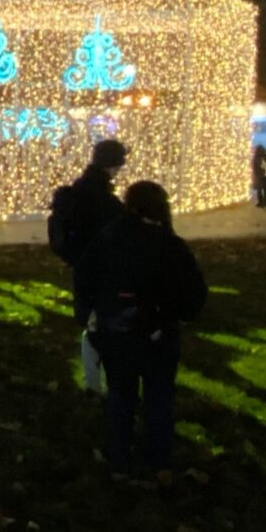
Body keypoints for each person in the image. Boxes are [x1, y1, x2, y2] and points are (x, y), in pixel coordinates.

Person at [74, 180, 207, 480]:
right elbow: (193, 291)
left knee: (120, 395)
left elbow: (84, 279)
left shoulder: (107, 240)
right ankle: (158, 461)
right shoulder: (169, 245)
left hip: (116, 333)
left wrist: (90, 317)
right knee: (159, 397)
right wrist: (180, 314)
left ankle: (119, 460)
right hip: (157, 334)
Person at [49, 138, 129, 395]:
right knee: (103, 325)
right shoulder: (103, 198)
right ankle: (99, 382)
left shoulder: (80, 189)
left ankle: (94, 382)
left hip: (82, 265)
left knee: (92, 323)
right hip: (101, 268)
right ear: (112, 165)